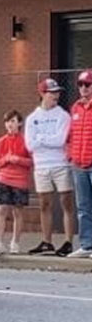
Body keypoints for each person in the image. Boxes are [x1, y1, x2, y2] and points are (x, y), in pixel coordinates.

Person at [25, 78, 75, 257]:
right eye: (51, 92)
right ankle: (47, 241)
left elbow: (60, 140)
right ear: (42, 94)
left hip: (60, 163)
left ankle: (68, 241)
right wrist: (47, 139)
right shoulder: (33, 118)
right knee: (44, 204)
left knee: (66, 202)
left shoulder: (63, 115)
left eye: (57, 92)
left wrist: (41, 139)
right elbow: (30, 145)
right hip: (41, 165)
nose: (56, 96)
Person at [0, 110, 33, 256]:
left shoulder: (25, 141)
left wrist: (18, 160)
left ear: (19, 123)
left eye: (13, 121)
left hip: (20, 181)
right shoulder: (1, 141)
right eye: (7, 122)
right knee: (2, 209)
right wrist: (6, 159)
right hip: (4, 179)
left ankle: (15, 242)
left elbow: (31, 162)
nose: (10, 125)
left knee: (17, 212)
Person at [69, 72, 92, 258]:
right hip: (79, 164)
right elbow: (72, 134)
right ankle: (86, 244)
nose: (84, 88)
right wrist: (72, 156)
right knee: (83, 206)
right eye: (81, 84)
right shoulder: (75, 108)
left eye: (87, 84)